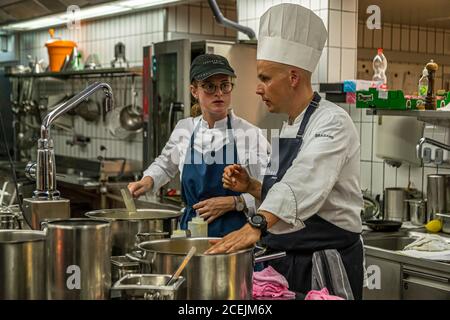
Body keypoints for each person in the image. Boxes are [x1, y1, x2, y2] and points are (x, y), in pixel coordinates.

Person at [205, 4, 364, 299]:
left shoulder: (333, 121)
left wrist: (257, 223)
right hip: (285, 262)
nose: (257, 88)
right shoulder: (288, 126)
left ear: (293, 77)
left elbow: (303, 180)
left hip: (323, 265)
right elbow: (282, 193)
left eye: (265, 78)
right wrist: (252, 186)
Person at [128, 54, 270, 237]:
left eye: (225, 85)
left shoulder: (250, 135)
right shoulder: (185, 128)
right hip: (190, 235)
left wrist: (236, 201)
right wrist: (146, 181)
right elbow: (165, 164)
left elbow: (269, 191)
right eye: (210, 86)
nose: (219, 93)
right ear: (194, 91)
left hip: (235, 237)